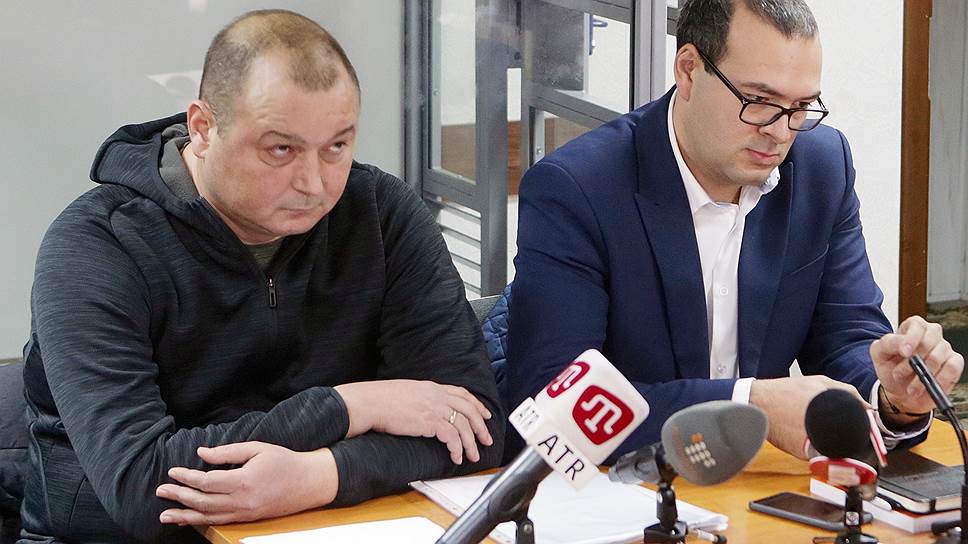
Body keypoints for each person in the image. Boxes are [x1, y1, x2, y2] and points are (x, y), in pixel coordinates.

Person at [19, 10, 504, 543]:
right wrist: (355, 406)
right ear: (203, 129)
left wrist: (319, 476)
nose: (314, 183)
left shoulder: (382, 215)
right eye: (281, 149)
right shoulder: (96, 246)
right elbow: (141, 486)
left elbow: (475, 430)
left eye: (337, 146)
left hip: (330, 526)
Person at [505, 0, 963, 463]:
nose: (781, 132)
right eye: (759, 101)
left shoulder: (821, 167)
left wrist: (894, 396)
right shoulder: (579, 188)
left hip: (753, 484)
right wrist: (748, 403)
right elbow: (554, 402)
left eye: (801, 107)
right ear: (688, 70)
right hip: (627, 484)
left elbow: (845, 336)